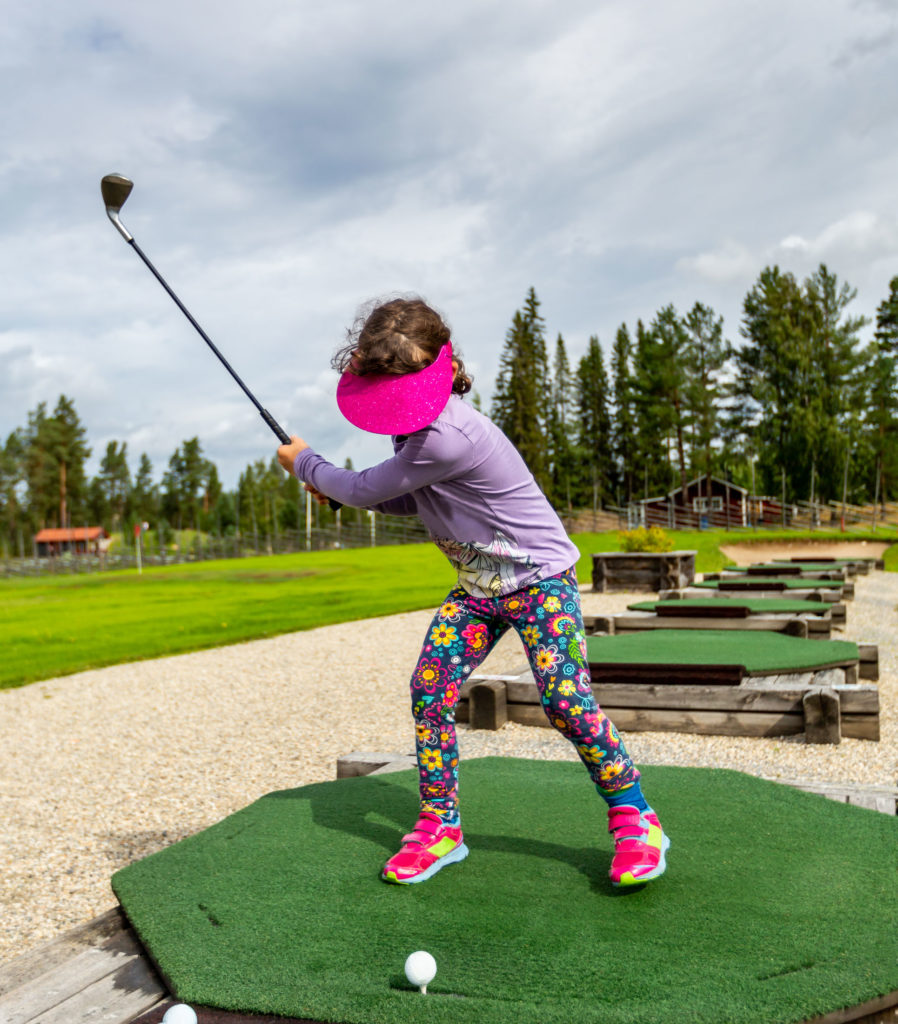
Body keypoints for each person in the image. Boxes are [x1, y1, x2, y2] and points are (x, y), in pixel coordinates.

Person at [276, 296, 669, 889]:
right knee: (428, 689)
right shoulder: (414, 433)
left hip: (539, 581)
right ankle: (440, 824)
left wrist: (307, 464)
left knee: (564, 699)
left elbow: (363, 489)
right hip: (480, 589)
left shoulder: (447, 434)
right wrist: (350, 491)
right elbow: (419, 497)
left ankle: (636, 817)